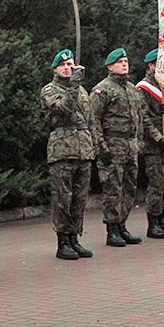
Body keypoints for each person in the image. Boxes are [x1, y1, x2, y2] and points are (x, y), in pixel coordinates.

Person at [91, 48, 164, 246]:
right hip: (112, 146)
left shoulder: (132, 89)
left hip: (131, 147)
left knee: (129, 188)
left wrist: (141, 142)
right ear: (110, 66)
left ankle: (122, 224)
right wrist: (102, 149)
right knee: (112, 189)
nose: (124, 64)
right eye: (120, 62)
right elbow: (94, 121)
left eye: (126, 61)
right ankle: (112, 229)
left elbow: (142, 118)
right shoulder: (102, 89)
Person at [39, 49, 99, 260]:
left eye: (70, 64)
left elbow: (91, 120)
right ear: (55, 68)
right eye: (63, 65)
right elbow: (63, 108)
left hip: (83, 150)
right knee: (63, 198)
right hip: (62, 151)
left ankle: (74, 237)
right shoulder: (49, 90)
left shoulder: (82, 91)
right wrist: (73, 85)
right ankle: (62, 241)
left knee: (80, 198)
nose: (67, 68)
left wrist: (96, 145)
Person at [136, 48, 164, 239]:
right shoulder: (144, 88)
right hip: (154, 145)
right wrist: (158, 138)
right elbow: (143, 119)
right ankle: (153, 222)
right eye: (161, 63)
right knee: (157, 184)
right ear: (151, 65)